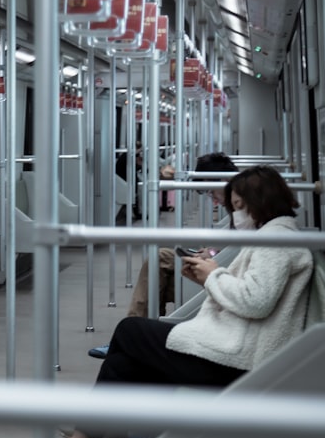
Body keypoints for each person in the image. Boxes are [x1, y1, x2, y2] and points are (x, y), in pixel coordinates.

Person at [24, 166, 313, 438]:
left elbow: (256, 301)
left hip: (241, 364)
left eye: (240, 205)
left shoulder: (278, 240)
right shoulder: (275, 236)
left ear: (260, 202)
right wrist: (212, 274)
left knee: (129, 332)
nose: (236, 213)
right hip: (237, 351)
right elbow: (256, 294)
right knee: (123, 362)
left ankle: (89, 434)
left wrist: (212, 276)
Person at [89, 152, 240, 359]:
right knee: (158, 263)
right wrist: (212, 251)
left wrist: (212, 254)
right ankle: (135, 336)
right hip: (224, 267)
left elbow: (237, 248)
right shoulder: (239, 202)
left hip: (226, 276)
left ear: (222, 180)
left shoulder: (242, 204)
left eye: (211, 191)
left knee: (158, 265)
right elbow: (233, 244)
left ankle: (131, 337)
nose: (213, 199)